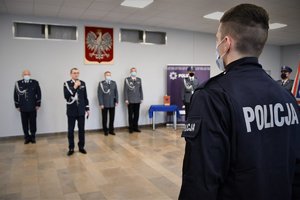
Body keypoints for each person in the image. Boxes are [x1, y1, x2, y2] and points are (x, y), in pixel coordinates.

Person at [179, 4, 300, 200]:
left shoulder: (212, 96)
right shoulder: (287, 98)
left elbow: (200, 182)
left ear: (226, 43)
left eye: (217, 39)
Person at [63, 68, 89, 156]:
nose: (76, 75)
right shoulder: (66, 84)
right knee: (70, 130)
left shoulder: (83, 83)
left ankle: (81, 147)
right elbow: (66, 96)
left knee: (81, 130)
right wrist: (74, 86)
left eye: (77, 73)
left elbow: (85, 97)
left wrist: (87, 108)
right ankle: (71, 148)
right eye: (74, 73)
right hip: (71, 111)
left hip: (81, 110)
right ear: (71, 74)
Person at [14, 69, 41, 144]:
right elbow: (15, 95)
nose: (27, 75)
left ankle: (33, 137)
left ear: (30, 75)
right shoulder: (18, 83)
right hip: (23, 107)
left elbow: (39, 93)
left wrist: (38, 104)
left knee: (33, 122)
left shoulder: (35, 82)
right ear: (22, 75)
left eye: (28, 74)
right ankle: (26, 137)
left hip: (32, 106)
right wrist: (17, 105)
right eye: (25, 74)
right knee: (24, 123)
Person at [98, 71, 118, 136]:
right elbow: (99, 94)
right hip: (104, 103)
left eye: (109, 75)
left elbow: (116, 92)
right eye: (107, 75)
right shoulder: (101, 83)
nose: (108, 76)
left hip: (112, 103)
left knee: (112, 118)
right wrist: (101, 103)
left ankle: (111, 130)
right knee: (104, 118)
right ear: (105, 76)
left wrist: (116, 101)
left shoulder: (114, 83)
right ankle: (105, 130)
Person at [124, 67, 143, 133]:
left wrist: (141, 98)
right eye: (132, 71)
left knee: (136, 114)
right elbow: (125, 90)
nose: (133, 72)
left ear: (136, 72)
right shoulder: (127, 80)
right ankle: (131, 128)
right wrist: (126, 99)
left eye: (134, 71)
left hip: (137, 99)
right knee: (130, 114)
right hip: (130, 100)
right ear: (130, 72)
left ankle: (136, 127)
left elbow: (140, 89)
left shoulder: (139, 79)